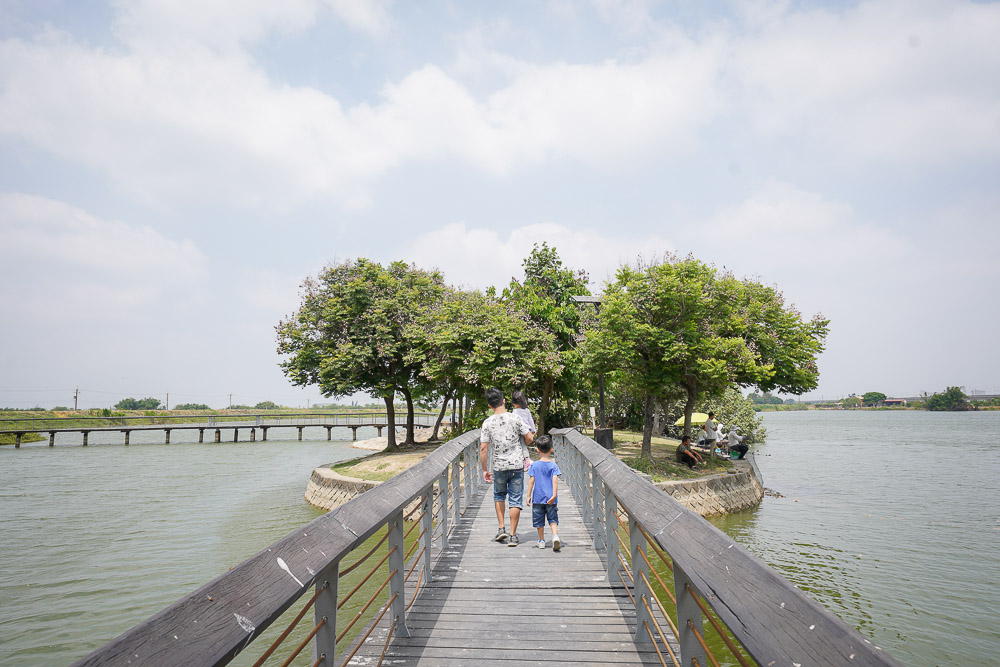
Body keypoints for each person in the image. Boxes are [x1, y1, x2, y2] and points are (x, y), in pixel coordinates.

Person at [480, 388, 533, 546]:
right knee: (515, 499)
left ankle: (501, 528)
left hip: (499, 466)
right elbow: (529, 437)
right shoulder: (515, 418)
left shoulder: (487, 423)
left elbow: (483, 448)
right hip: (516, 464)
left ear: (490, 406)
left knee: (499, 496)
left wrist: (484, 470)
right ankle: (513, 536)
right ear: (504, 401)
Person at [525, 434, 561, 551]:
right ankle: (555, 536)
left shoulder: (534, 465)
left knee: (539, 520)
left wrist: (528, 495)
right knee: (553, 519)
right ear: (551, 450)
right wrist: (554, 495)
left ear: (537, 450)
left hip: (538, 498)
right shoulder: (553, 465)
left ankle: (541, 540)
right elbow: (555, 480)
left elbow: (531, 481)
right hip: (551, 498)